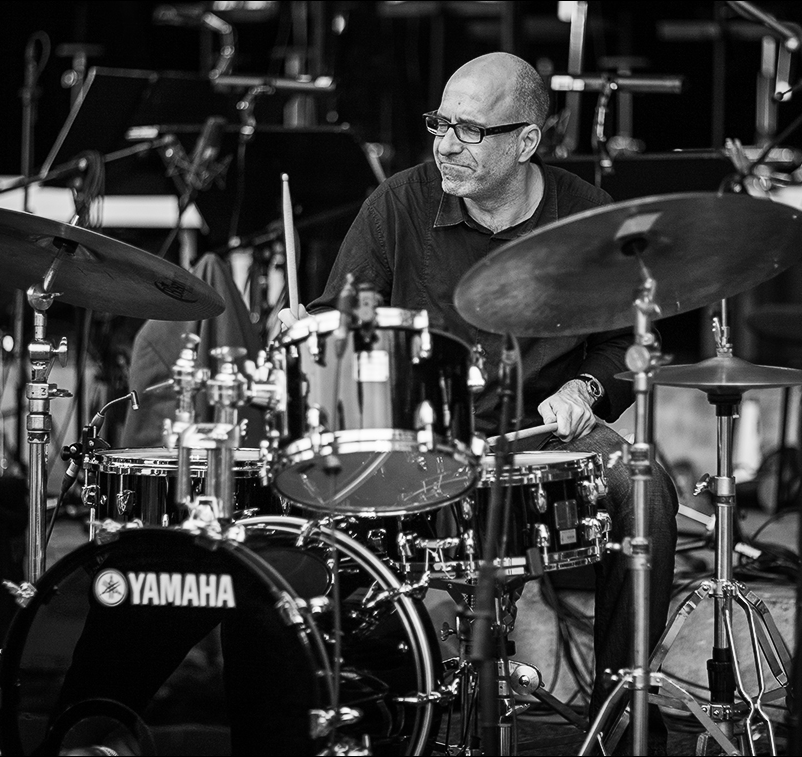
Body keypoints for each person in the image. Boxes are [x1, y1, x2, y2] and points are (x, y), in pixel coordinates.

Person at [279, 51, 677, 754]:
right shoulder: (398, 203)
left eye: (469, 129)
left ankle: (622, 711)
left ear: (527, 141)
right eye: (439, 122)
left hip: (541, 439)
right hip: (422, 437)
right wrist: (308, 329)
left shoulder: (586, 217)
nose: (445, 144)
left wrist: (585, 388)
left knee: (641, 485)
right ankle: (355, 706)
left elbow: (624, 340)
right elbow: (337, 322)